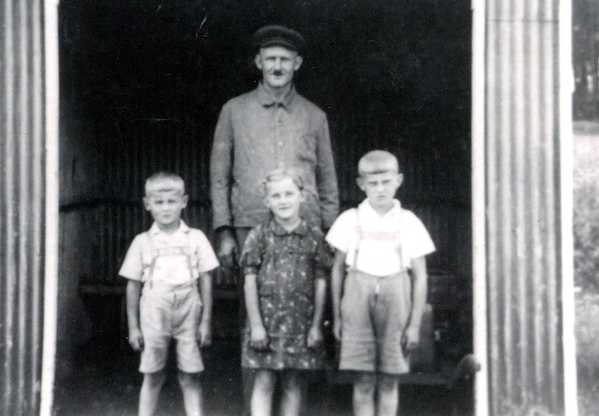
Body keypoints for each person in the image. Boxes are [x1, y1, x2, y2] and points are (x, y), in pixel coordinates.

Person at [210, 24, 339, 268]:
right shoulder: (234, 110)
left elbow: (327, 178)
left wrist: (329, 228)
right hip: (250, 223)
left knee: (306, 299)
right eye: (270, 59)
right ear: (259, 62)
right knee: (252, 300)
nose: (277, 67)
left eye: (284, 60)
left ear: (297, 63)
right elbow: (219, 177)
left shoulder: (315, 115)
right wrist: (224, 230)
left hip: (305, 224)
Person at [327, 150, 435, 416]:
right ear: (361, 184)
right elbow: (337, 271)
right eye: (373, 184)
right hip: (357, 302)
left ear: (398, 180)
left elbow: (420, 276)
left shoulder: (409, 222)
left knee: (389, 379)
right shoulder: (349, 219)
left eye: (386, 182)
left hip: (396, 301)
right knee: (363, 380)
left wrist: (414, 324)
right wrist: (338, 318)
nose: (380, 189)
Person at [119, 172, 219, 416]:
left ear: (184, 202)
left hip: (189, 311)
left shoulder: (195, 238)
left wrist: (205, 321)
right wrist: (133, 327)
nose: (165, 209)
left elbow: (206, 278)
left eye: (172, 201)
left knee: (190, 374)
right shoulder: (142, 242)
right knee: (152, 374)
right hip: (154, 311)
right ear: (147, 205)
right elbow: (132, 285)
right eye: (159, 202)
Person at [240, 168, 333, 416]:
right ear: (266, 201)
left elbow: (321, 281)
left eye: (289, 193)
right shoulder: (258, 236)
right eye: (276, 196)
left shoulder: (314, 237)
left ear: (302, 196)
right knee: (265, 381)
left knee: (293, 383)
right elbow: (249, 282)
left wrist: (315, 327)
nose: (283, 201)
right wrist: (256, 326)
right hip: (267, 324)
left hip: (300, 325)